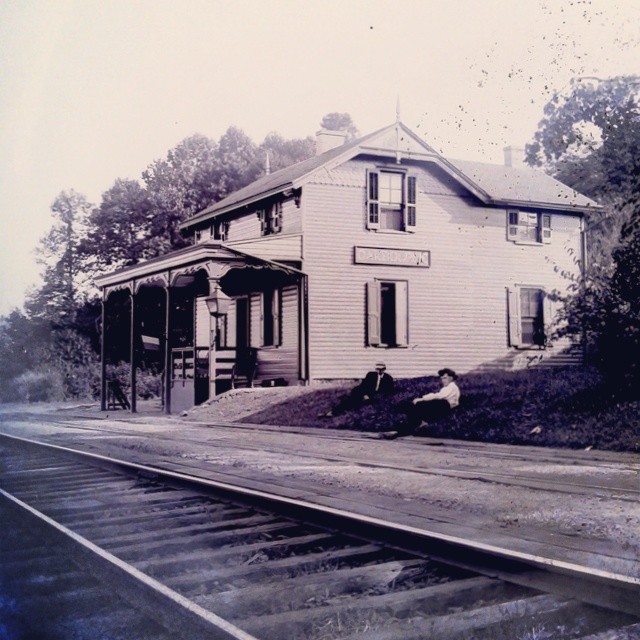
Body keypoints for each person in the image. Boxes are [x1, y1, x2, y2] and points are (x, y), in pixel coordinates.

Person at [379, 368, 460, 439]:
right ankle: (406, 427)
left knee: (416, 406)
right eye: (442, 378)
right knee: (413, 408)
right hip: (440, 405)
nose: (443, 380)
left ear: (451, 378)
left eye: (445, 378)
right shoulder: (448, 387)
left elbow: (439, 396)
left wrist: (422, 399)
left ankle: (406, 427)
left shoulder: (452, 387)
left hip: (444, 406)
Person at [321, 363, 394, 417]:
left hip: (376, 396)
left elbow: (388, 391)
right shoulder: (371, 375)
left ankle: (345, 412)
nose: (379, 371)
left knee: (357, 404)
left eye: (381, 369)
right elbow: (364, 385)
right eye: (377, 369)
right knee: (350, 400)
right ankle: (332, 413)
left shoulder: (388, 378)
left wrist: (374, 397)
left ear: (384, 369)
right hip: (366, 394)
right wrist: (365, 394)